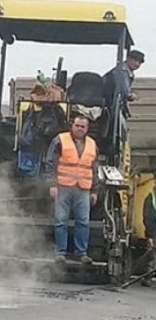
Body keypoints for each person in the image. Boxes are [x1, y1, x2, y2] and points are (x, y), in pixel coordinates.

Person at [44, 114, 99, 264]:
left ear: (87, 129)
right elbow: (50, 163)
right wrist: (52, 184)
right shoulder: (60, 140)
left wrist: (95, 191)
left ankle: (81, 253)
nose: (80, 129)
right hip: (63, 187)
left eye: (83, 126)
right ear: (72, 126)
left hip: (83, 189)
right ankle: (60, 253)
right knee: (61, 221)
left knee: (83, 222)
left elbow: (94, 169)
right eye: (77, 126)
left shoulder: (92, 145)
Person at [102, 49, 145, 117]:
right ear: (128, 58)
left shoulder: (126, 72)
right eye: (135, 60)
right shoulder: (122, 72)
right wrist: (132, 96)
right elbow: (125, 92)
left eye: (139, 62)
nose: (137, 64)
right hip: (109, 106)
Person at [142, 184, 156, 287]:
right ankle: (148, 276)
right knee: (152, 254)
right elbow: (148, 219)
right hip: (154, 231)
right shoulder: (151, 198)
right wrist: (150, 236)